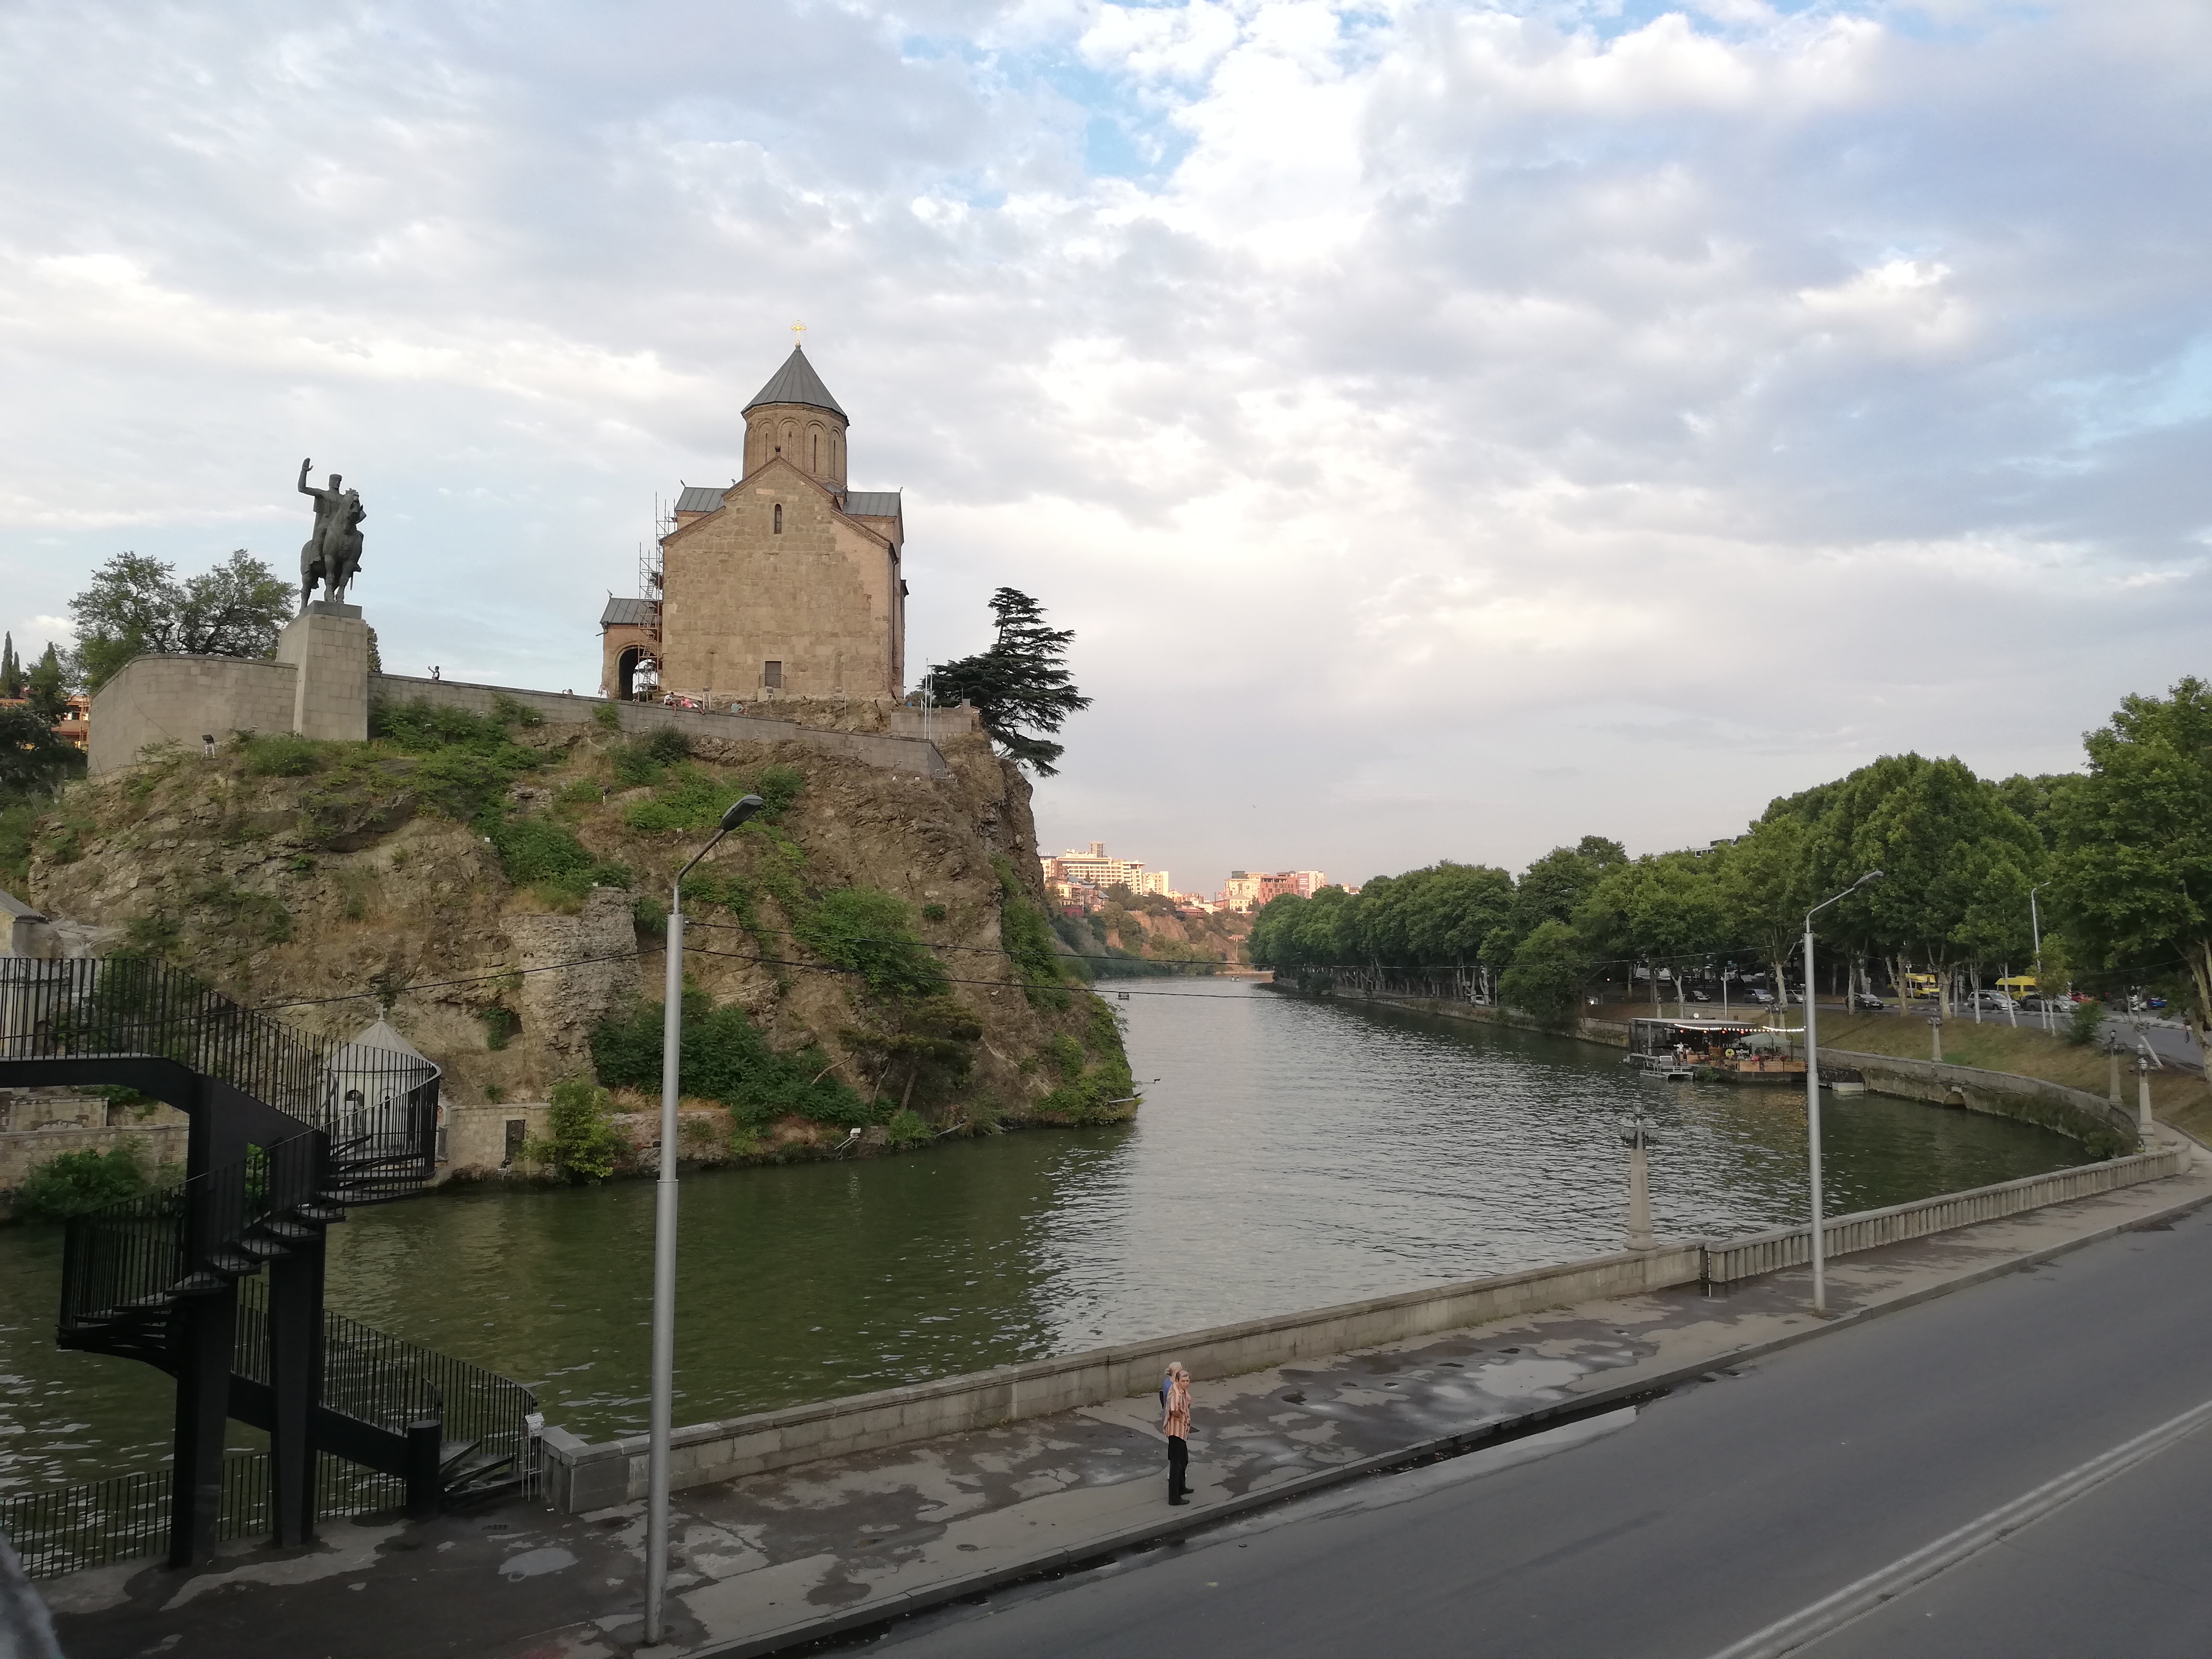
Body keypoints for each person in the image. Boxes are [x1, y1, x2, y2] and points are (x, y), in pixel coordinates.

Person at [1160, 1361, 1192, 1505]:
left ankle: (1181, 1488)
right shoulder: (1176, 1392)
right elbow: (1174, 1409)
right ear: (1177, 1380)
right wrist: (1181, 1417)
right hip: (1176, 1432)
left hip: (1181, 1431)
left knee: (1183, 1460)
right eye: (1183, 1381)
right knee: (1177, 1464)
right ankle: (1174, 1498)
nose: (1186, 1383)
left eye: (1188, 1381)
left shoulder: (1180, 1390)